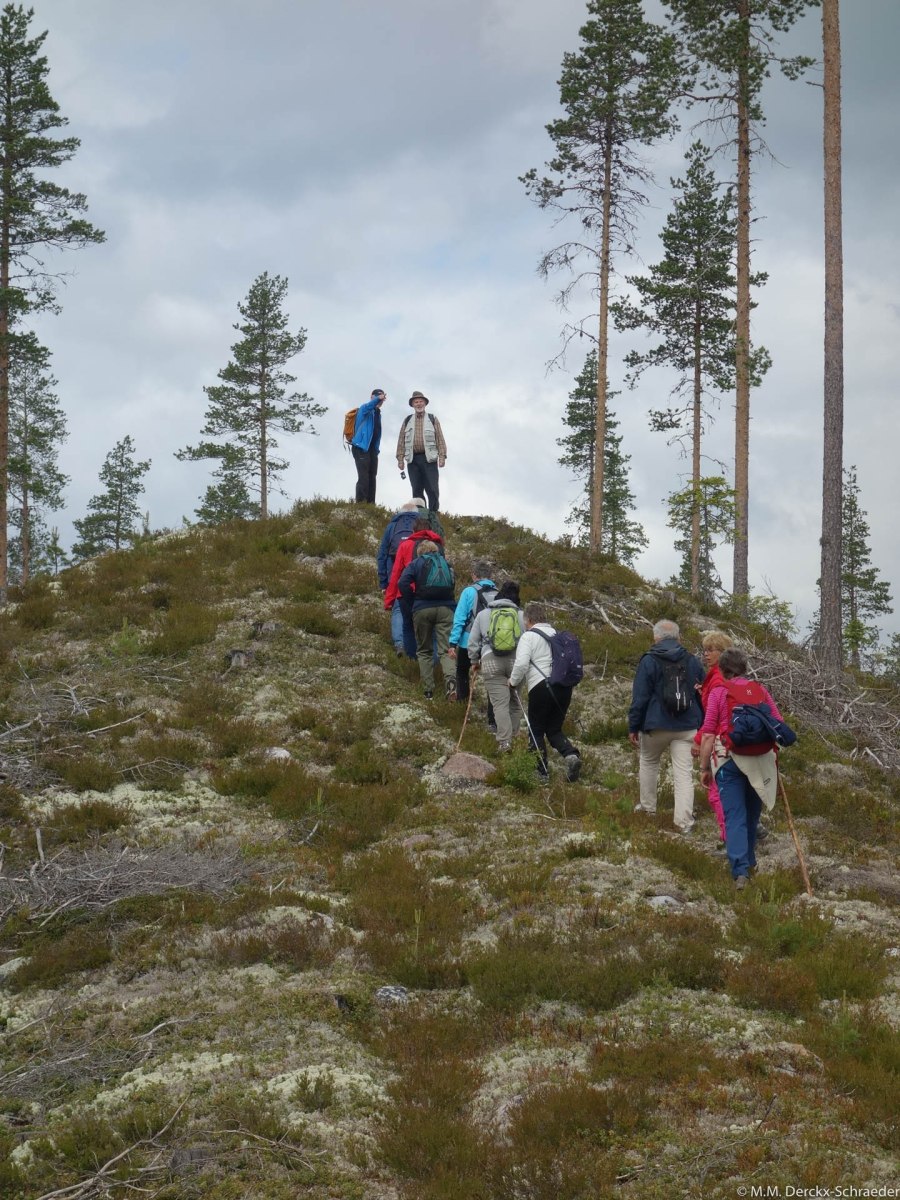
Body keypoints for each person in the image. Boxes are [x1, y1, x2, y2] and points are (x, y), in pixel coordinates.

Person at [698, 648, 784, 890]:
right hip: (759, 760)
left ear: (722, 669)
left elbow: (708, 733)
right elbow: (778, 722)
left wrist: (704, 767)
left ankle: (740, 872)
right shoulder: (760, 691)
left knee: (734, 816)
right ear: (744, 668)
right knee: (751, 815)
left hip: (728, 760)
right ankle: (750, 863)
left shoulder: (719, 692)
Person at [628, 619, 704, 834]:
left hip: (656, 725)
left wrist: (634, 725)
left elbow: (640, 698)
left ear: (656, 637)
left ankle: (648, 809)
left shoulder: (648, 660)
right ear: (678, 637)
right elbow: (702, 694)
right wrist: (703, 725)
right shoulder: (692, 660)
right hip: (687, 726)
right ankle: (684, 822)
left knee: (649, 762)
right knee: (683, 773)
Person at [509, 601, 581, 782]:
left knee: (536, 730)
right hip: (564, 687)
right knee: (554, 729)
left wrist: (512, 682)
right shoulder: (558, 635)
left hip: (540, 686)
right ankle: (571, 755)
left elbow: (521, 663)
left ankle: (541, 772)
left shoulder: (528, 636)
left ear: (528, 620)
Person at [468, 581, 526, 751]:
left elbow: (473, 642)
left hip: (491, 660)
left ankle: (504, 742)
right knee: (515, 701)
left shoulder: (483, 614)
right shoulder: (521, 615)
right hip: (516, 661)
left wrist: (474, 661)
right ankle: (514, 738)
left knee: (500, 703)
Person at [397, 541, 457, 700]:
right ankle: (451, 683)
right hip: (446, 609)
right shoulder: (446, 563)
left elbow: (402, 582)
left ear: (420, 552)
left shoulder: (416, 563)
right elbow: (453, 583)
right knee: (446, 650)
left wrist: (412, 600)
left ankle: (428, 691)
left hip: (422, 608)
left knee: (424, 650)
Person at [383, 515, 444, 659]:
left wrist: (389, 600)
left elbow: (396, 573)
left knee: (408, 626)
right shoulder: (438, 546)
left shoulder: (405, 545)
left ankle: (412, 659)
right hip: (432, 593)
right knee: (432, 630)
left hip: (407, 592)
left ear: (413, 530)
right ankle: (433, 662)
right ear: (430, 530)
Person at [692, 630, 733, 844]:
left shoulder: (717, 680)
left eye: (711, 650)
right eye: (705, 650)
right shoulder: (719, 677)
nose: (706, 654)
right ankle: (745, 830)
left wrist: (699, 740)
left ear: (722, 652)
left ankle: (729, 839)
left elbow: (714, 719)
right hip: (727, 741)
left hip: (719, 743)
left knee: (717, 794)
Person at [378, 498, 427, 655]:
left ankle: (400, 644)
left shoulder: (392, 526)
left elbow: (382, 555)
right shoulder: (421, 524)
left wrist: (384, 583)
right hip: (420, 576)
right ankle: (422, 647)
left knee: (399, 609)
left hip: (397, 573)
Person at [448, 561, 497, 711]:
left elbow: (460, 619)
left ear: (474, 575)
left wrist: (453, 643)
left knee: (462, 671)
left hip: (467, 641)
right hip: (492, 642)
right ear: (490, 575)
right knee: (492, 679)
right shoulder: (498, 593)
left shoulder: (469, 592)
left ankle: (463, 706)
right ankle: (493, 717)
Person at [396, 390, 447, 512]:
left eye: (421, 401)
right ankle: (421, 514)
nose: (419, 404)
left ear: (425, 403)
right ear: (413, 405)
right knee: (416, 490)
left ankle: (433, 513)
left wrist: (442, 456)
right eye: (416, 402)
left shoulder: (432, 419)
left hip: (429, 459)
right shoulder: (407, 420)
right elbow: (401, 440)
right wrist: (400, 459)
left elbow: (440, 438)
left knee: (432, 489)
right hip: (412, 460)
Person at [351, 388, 386, 503]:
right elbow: (369, 406)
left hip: (372, 450)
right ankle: (361, 503)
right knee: (363, 476)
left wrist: (376, 449)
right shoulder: (364, 409)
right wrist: (377, 399)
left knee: (372, 476)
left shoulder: (378, 414)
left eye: (382, 397)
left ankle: (371, 504)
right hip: (361, 447)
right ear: (372, 397)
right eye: (377, 396)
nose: (380, 399)